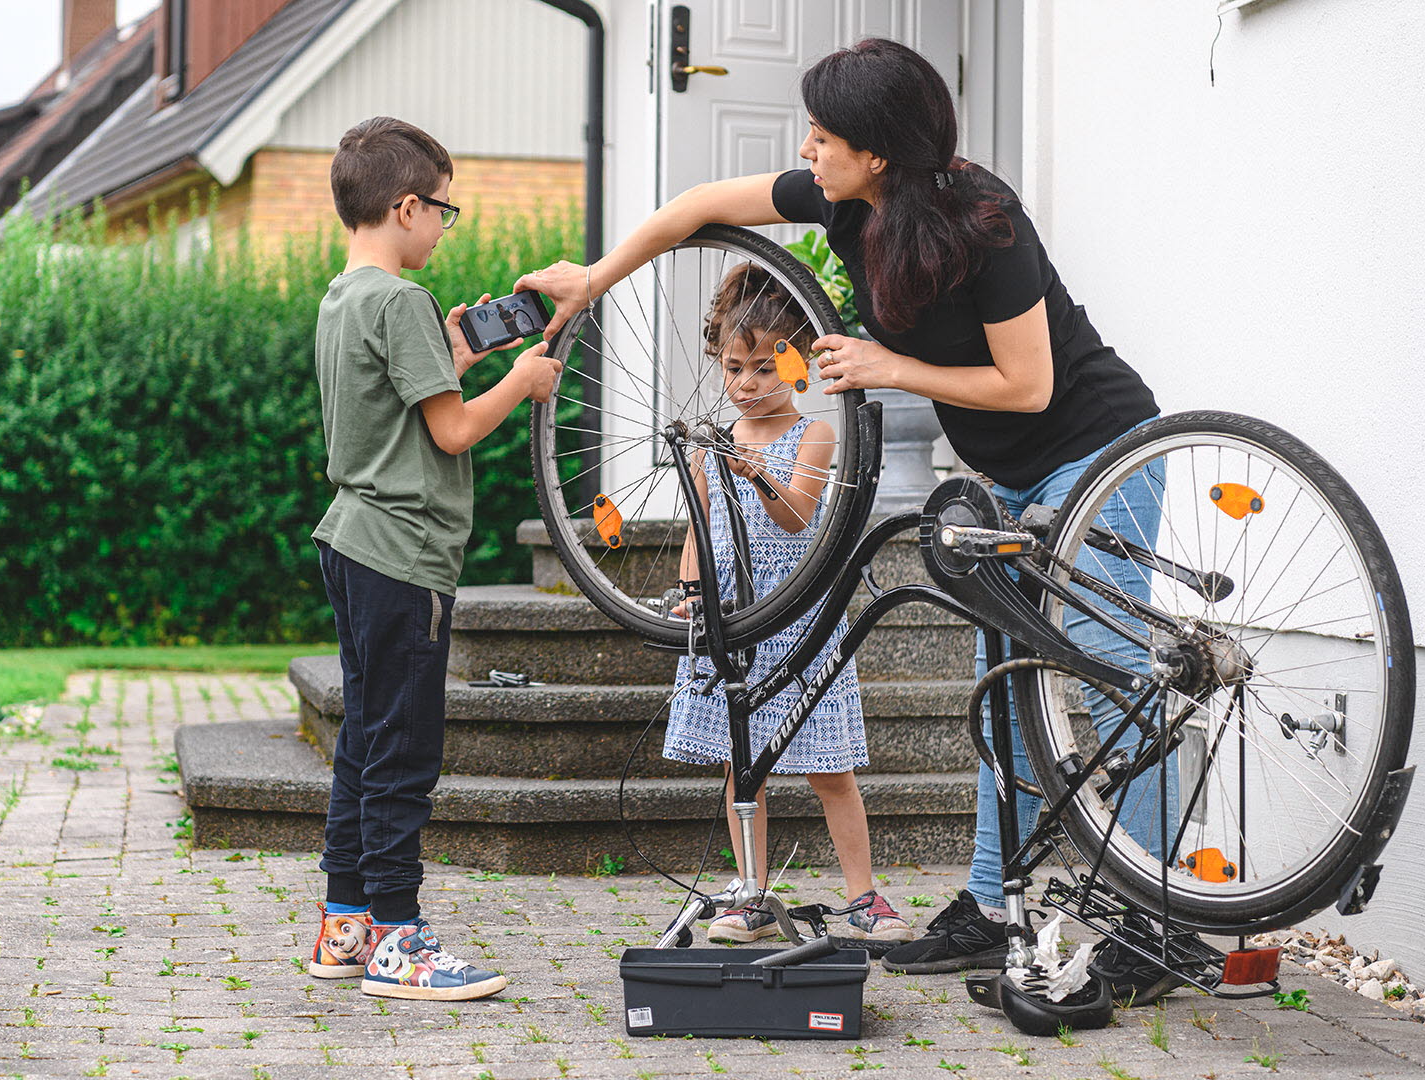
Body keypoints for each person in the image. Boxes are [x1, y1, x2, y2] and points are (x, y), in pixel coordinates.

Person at [516, 38, 1167, 974]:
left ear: (882, 153)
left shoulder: (989, 223)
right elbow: (697, 208)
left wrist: (889, 367)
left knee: (1107, 674)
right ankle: (992, 902)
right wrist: (597, 277)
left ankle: (1160, 916)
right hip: (1010, 481)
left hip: (1097, 451)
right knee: (1003, 689)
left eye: (824, 136)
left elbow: (1029, 385)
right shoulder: (838, 200)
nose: (807, 150)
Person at [306, 116, 562, 1001]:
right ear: (407, 205)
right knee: (405, 750)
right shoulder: (400, 302)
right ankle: (400, 942)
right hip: (402, 553)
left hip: (350, 539)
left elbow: (406, 409)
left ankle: (345, 928)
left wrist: (454, 361)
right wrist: (518, 380)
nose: (444, 229)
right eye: (443, 212)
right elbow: (452, 428)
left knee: (364, 739)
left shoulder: (344, 299)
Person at [662, 262, 909, 944]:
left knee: (829, 765)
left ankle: (863, 896)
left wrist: (761, 471)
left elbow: (799, 516)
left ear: (797, 367)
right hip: (733, 618)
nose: (746, 385)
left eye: (765, 370)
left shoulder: (817, 434)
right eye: (734, 368)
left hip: (799, 619)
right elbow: (698, 529)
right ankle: (749, 894)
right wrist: (690, 593)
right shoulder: (715, 445)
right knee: (741, 767)